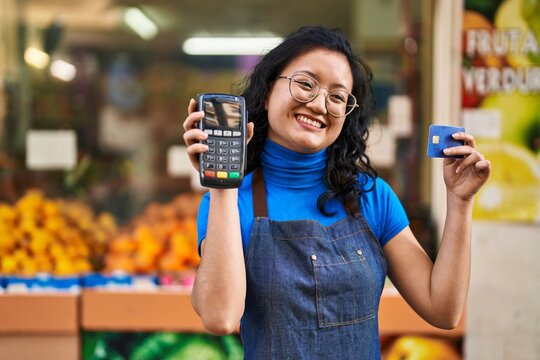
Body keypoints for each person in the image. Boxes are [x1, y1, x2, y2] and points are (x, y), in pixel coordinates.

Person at [182, 25, 491, 359]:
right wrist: (226, 185)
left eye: (338, 96)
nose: (319, 104)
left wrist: (460, 203)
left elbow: (442, 309)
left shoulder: (372, 196)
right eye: (305, 84)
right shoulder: (228, 202)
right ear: (269, 91)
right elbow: (220, 317)